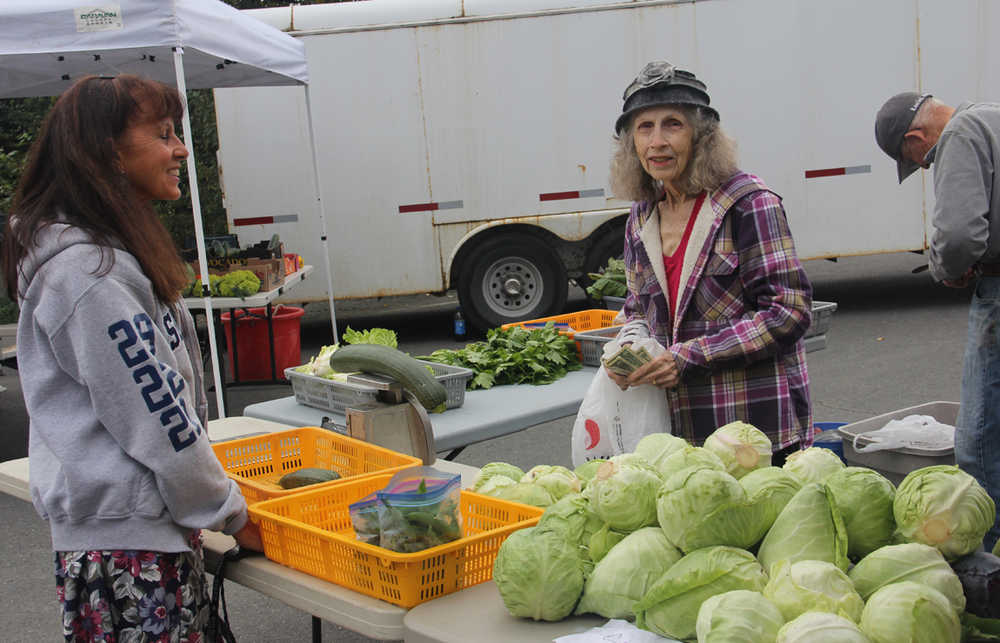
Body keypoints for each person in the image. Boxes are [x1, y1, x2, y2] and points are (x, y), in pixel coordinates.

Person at [0, 74, 262, 641]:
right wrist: (231, 514)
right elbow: (157, 414)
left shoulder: (106, 254)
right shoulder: (87, 275)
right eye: (164, 134)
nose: (180, 150)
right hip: (129, 554)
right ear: (109, 154)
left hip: (137, 538)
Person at [608, 61, 814, 461]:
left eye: (673, 124)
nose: (657, 141)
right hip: (675, 437)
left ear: (702, 136)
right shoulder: (642, 215)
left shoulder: (748, 204)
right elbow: (636, 309)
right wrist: (627, 351)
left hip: (750, 433)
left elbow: (788, 312)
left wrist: (687, 357)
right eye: (644, 127)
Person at [875, 91, 1000, 550]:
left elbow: (960, 235)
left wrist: (946, 269)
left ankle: (988, 554)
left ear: (917, 137)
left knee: (981, 432)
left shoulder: (960, 134)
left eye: (919, 161)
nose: (926, 166)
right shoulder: (991, 114)